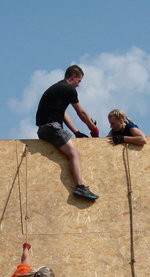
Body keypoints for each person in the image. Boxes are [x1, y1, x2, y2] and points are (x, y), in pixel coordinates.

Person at [35, 65, 100, 200]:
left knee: (70, 152)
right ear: (73, 77)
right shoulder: (69, 89)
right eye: (79, 81)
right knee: (74, 153)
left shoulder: (57, 89)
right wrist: (92, 127)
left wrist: (76, 132)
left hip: (44, 129)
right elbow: (80, 112)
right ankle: (81, 187)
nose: (79, 85)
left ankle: (80, 186)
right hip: (52, 127)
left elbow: (63, 113)